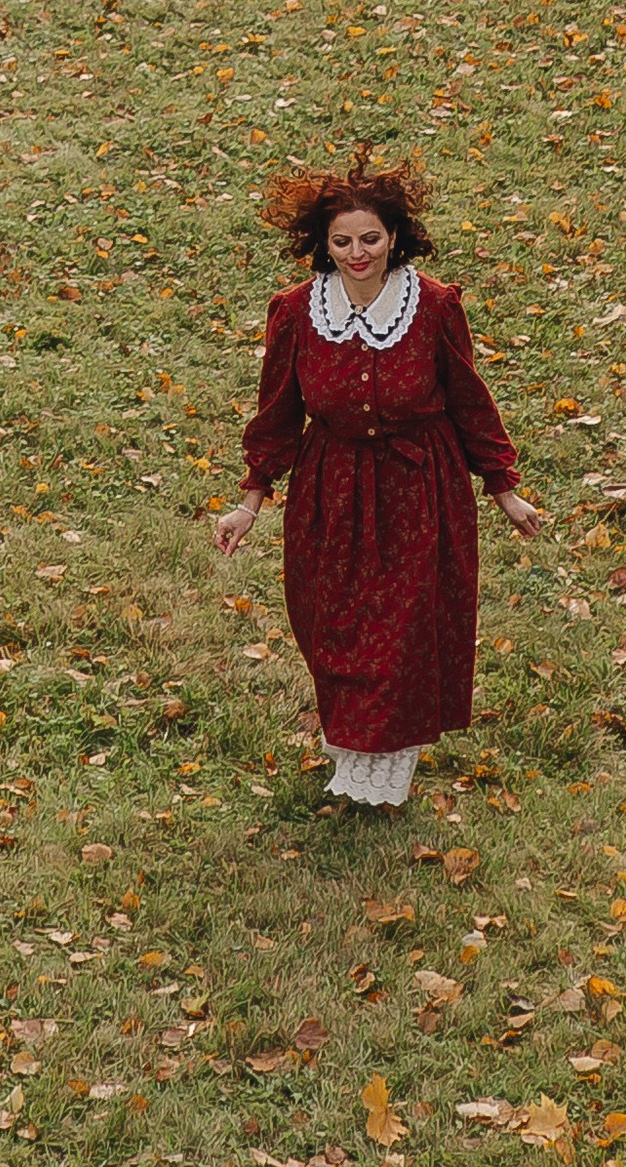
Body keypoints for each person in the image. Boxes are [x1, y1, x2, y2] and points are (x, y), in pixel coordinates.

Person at [213, 150, 539, 813]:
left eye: (370, 238)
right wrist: (249, 501)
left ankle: (387, 767)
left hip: (420, 488)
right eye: (342, 241)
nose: (357, 253)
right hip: (330, 489)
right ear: (322, 246)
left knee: (402, 630)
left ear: (395, 238)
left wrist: (504, 487)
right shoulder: (298, 313)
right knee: (334, 625)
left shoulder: (436, 307)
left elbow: (470, 402)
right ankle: (352, 751)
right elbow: (277, 414)